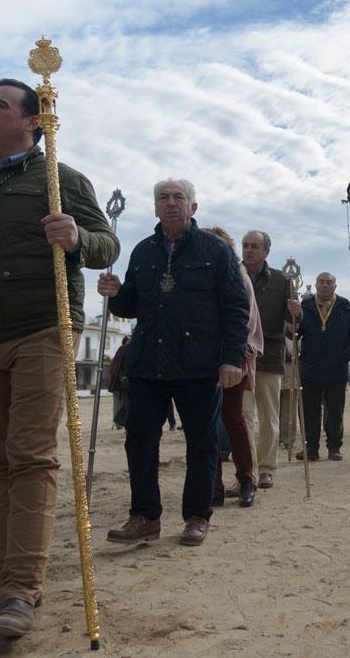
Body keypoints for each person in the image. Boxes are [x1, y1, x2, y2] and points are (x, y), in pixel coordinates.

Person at [0, 77, 117, 639]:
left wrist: (77, 239)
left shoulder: (62, 181)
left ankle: (20, 592)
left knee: (32, 459)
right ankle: (5, 584)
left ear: (33, 121)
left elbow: (106, 244)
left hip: (40, 332)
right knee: (2, 463)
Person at [98, 179, 247, 549]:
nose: (171, 204)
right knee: (140, 440)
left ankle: (197, 516)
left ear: (193, 207)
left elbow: (235, 307)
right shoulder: (143, 251)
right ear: (154, 208)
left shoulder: (216, 251)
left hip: (198, 364)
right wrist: (116, 294)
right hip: (148, 362)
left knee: (201, 442)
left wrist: (231, 360)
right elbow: (132, 304)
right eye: (163, 198)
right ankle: (145, 516)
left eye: (178, 198)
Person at [208, 226, 262, 510]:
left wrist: (234, 353)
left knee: (233, 418)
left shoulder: (237, 275)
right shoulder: (199, 271)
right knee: (205, 423)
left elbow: (245, 318)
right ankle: (212, 485)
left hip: (232, 355)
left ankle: (246, 480)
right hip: (201, 358)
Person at [241, 230, 297, 490]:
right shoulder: (232, 274)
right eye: (245, 245)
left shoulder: (281, 280)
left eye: (254, 246)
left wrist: (298, 314)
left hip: (269, 355)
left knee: (269, 418)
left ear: (266, 252)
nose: (248, 250)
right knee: (242, 417)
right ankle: (247, 471)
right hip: (238, 356)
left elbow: (293, 326)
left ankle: (266, 469)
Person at [290, 272, 350, 461]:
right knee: (308, 411)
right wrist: (293, 325)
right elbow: (293, 335)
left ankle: (334, 447)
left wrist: (346, 354)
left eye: (329, 282)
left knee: (335, 410)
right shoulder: (304, 306)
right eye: (321, 282)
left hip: (336, 368)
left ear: (335, 286)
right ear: (316, 285)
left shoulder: (346, 307)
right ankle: (311, 449)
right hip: (310, 367)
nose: (325, 286)